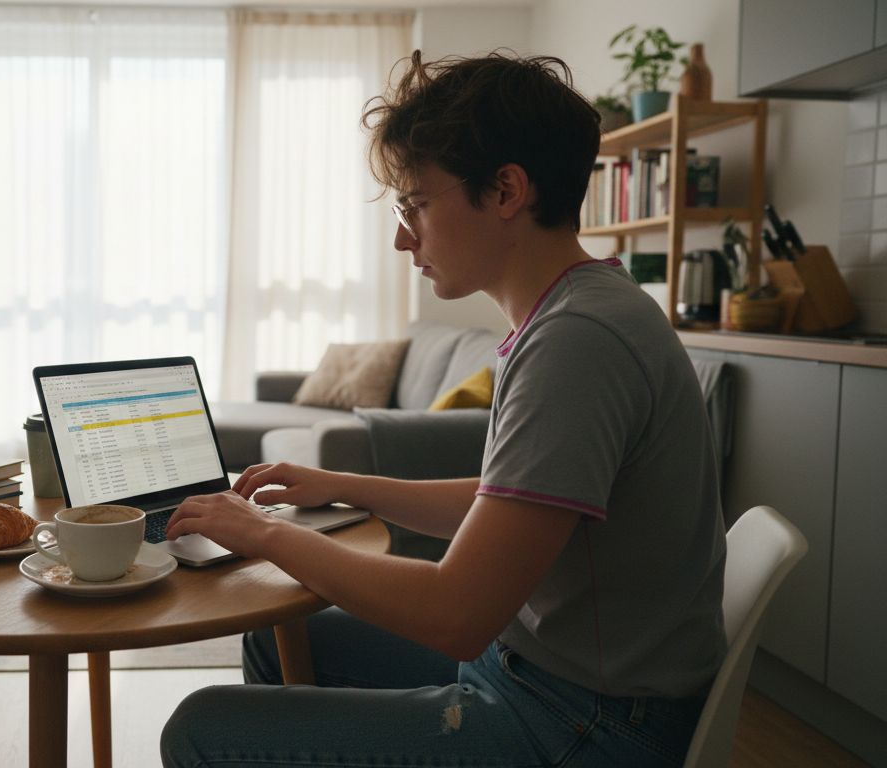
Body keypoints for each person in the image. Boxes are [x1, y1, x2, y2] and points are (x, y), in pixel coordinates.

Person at [159, 50, 726, 768]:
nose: (403, 236)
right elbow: (511, 507)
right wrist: (346, 486)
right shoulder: (576, 312)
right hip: (552, 678)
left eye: (416, 204)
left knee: (199, 729)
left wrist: (263, 535)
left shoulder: (577, 342)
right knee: (272, 640)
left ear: (506, 191)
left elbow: (457, 614)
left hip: (581, 723)